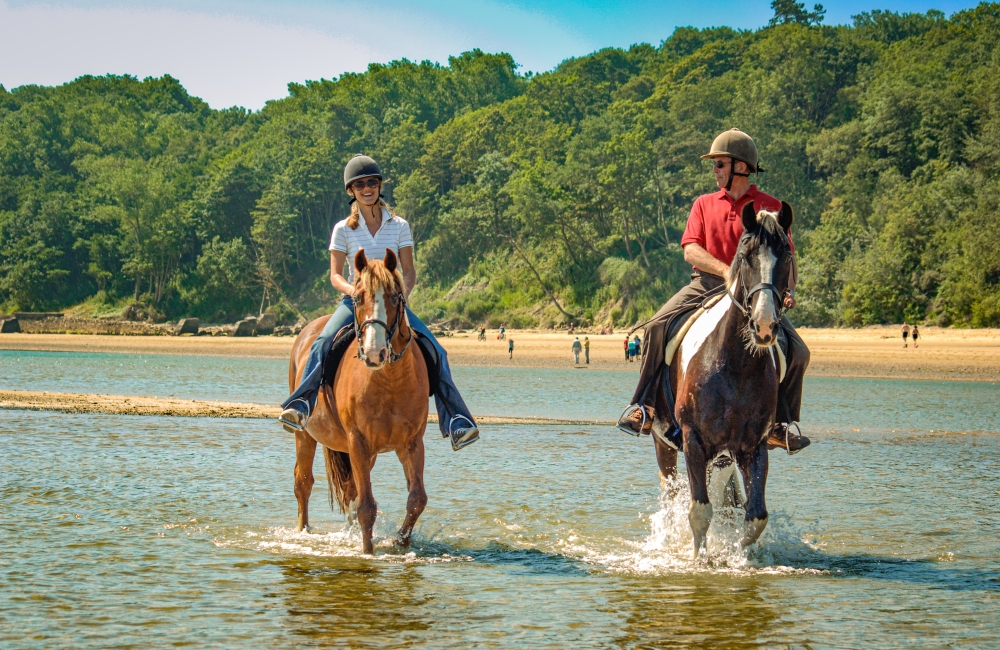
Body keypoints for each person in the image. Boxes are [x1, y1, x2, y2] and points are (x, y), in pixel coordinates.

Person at [616, 129, 811, 453]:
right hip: (705, 285)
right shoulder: (704, 204)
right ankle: (643, 407)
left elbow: (786, 256)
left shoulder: (771, 206)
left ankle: (781, 424)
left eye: (719, 163)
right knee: (654, 329)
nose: (714, 170)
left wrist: (787, 289)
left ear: (741, 167)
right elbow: (691, 250)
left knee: (800, 353)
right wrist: (727, 272)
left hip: (756, 295)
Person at [278, 154, 479, 451]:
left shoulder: (399, 225)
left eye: (372, 182)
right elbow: (334, 275)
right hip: (355, 303)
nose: (367, 188)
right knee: (321, 343)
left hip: (392, 303)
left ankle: (457, 419)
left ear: (380, 185)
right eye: (360, 184)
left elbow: (408, 271)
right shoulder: (342, 230)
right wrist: (354, 291)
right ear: (351, 191)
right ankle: (302, 403)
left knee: (437, 351)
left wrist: (401, 295)